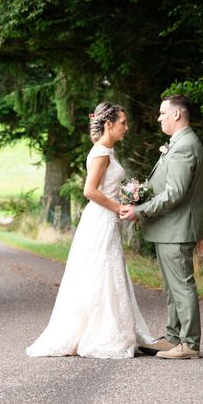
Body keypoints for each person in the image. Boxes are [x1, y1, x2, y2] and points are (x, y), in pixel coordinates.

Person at [26, 102, 154, 359]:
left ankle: (109, 329)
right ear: (109, 124)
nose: (126, 128)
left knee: (107, 271)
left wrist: (130, 198)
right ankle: (100, 334)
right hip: (101, 220)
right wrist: (119, 207)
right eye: (122, 123)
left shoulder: (107, 151)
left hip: (105, 219)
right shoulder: (101, 154)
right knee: (102, 270)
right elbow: (90, 190)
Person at [120, 94, 203, 359]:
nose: (158, 118)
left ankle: (190, 344)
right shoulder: (179, 143)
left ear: (177, 115)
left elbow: (175, 193)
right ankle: (173, 337)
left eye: (162, 113)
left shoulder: (185, 145)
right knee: (172, 287)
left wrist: (140, 211)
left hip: (177, 228)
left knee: (181, 285)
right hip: (170, 227)